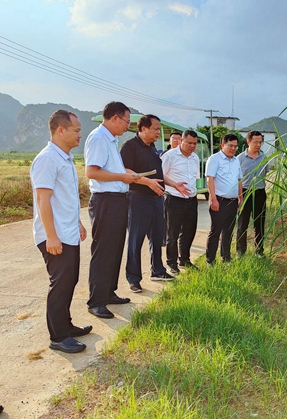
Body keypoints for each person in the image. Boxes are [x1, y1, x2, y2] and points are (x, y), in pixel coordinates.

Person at [30, 110, 90, 353]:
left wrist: (77, 223)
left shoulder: (64, 158)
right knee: (61, 284)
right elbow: (43, 200)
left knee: (70, 281)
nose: (79, 135)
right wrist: (51, 236)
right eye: (76, 130)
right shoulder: (47, 159)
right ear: (60, 130)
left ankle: (66, 325)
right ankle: (58, 337)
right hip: (54, 235)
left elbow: (65, 199)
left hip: (68, 231)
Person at [84, 101, 139, 319]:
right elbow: (92, 172)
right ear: (115, 118)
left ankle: (108, 292)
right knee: (104, 251)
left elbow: (110, 169)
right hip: (105, 201)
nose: (127, 126)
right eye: (126, 121)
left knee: (115, 249)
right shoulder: (98, 138)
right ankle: (96, 301)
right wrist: (122, 177)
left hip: (117, 200)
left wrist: (127, 175)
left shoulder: (111, 140)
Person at [120, 115, 183, 292]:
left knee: (157, 237)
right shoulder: (130, 146)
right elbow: (125, 170)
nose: (158, 132)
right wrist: (147, 182)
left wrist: (173, 184)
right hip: (138, 198)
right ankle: (133, 278)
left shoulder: (153, 148)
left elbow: (159, 174)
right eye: (155, 129)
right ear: (143, 129)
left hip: (157, 199)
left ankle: (158, 270)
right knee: (135, 239)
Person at [161, 130, 200, 275]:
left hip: (191, 199)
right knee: (173, 233)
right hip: (174, 199)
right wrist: (174, 185)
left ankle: (185, 259)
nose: (192, 146)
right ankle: (172, 263)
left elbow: (194, 178)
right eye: (189, 143)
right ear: (181, 141)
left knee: (189, 230)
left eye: (194, 144)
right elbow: (161, 175)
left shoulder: (195, 158)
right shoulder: (170, 156)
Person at [205, 134, 243, 264]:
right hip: (219, 201)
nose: (233, 148)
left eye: (235, 146)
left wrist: (240, 197)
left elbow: (239, 180)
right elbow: (210, 179)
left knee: (228, 231)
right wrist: (213, 199)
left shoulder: (236, 160)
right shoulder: (214, 159)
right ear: (223, 145)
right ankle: (210, 260)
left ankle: (226, 257)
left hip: (233, 201)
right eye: (230, 146)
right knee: (216, 231)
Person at [236, 130, 269, 257]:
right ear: (248, 142)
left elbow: (265, 173)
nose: (258, 145)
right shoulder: (240, 158)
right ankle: (240, 251)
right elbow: (237, 178)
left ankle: (259, 251)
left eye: (260, 142)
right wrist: (240, 196)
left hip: (260, 193)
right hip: (245, 192)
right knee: (242, 224)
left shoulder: (264, 157)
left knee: (259, 223)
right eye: (255, 142)